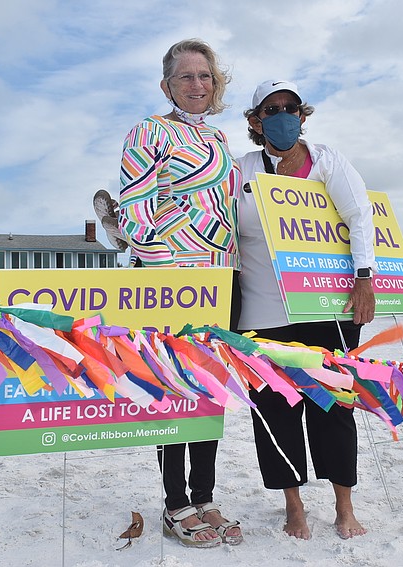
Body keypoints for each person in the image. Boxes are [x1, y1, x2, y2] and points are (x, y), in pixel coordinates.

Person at [236, 80, 376, 540]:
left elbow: (360, 217)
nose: (282, 115)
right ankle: (293, 507)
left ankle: (343, 507)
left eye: (290, 108)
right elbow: (216, 226)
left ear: (303, 114)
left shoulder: (327, 161)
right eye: (271, 109)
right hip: (262, 311)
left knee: (334, 407)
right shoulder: (240, 171)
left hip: (326, 305)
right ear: (256, 121)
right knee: (274, 411)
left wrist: (364, 279)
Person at [117, 38, 242, 548]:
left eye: (205, 76)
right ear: (167, 85)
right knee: (173, 390)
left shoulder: (219, 140)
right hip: (173, 282)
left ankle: (205, 495)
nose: (197, 85)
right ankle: (175, 502)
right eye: (186, 76)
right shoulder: (149, 131)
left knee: (211, 391)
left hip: (224, 279)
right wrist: (186, 233)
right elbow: (133, 210)